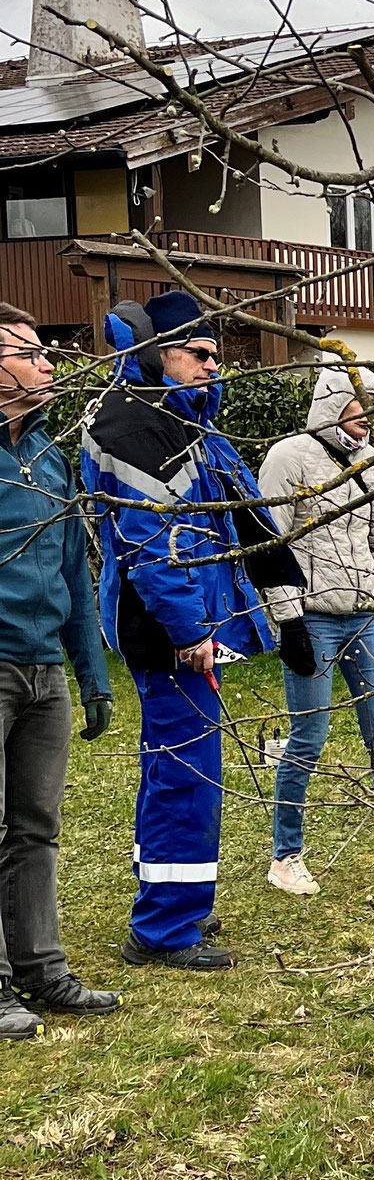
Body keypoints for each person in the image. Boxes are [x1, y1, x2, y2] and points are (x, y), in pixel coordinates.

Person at [79, 295, 302, 970]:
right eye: (199, 354)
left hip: (186, 630)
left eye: (216, 355)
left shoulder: (174, 421)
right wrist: (191, 629)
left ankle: (169, 901)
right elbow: (154, 545)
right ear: (156, 353)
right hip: (171, 635)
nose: (214, 367)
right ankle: (165, 929)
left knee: (173, 771)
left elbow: (239, 518)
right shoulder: (135, 425)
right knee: (187, 778)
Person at [258, 367, 374, 897]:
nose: (367, 417)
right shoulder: (288, 458)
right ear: (333, 403)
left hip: (364, 616)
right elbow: (272, 545)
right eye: (358, 405)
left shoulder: (373, 466)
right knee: (309, 737)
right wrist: (288, 619)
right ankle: (285, 856)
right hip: (312, 616)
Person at [0, 304, 119, 1038]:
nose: (49, 365)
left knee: (36, 827)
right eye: (33, 352)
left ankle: (41, 968)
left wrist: (92, 672)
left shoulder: (47, 454)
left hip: (45, 669)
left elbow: (75, 568)